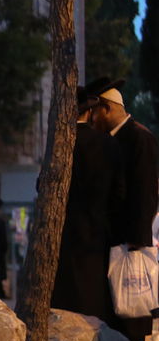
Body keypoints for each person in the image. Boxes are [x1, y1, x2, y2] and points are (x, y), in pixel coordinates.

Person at [87, 77, 159, 341]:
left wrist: (137, 240)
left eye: (94, 112)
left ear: (105, 109)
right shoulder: (112, 138)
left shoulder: (139, 138)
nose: (92, 119)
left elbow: (145, 194)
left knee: (129, 311)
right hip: (113, 242)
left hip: (127, 242)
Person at [53, 85, 122, 319]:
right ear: (90, 112)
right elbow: (118, 191)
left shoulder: (60, 143)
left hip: (64, 234)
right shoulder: (107, 143)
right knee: (92, 302)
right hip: (96, 235)